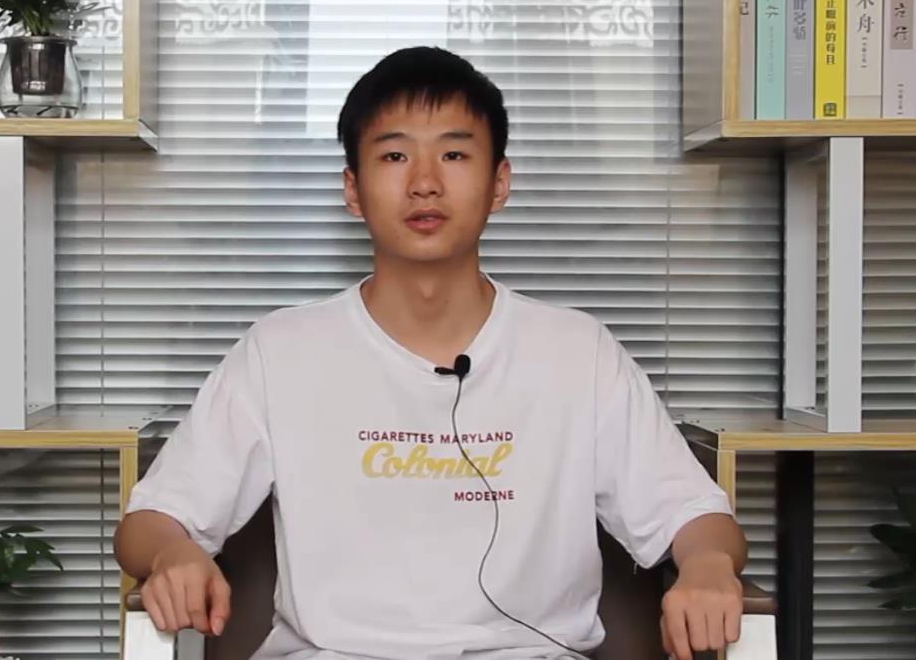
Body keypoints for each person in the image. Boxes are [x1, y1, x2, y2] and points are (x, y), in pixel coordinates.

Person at [114, 46, 747, 660]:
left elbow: (696, 516)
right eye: (394, 155)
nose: (424, 183)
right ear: (353, 189)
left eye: (454, 154)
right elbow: (149, 522)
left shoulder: (579, 354)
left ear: (499, 183)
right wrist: (173, 553)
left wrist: (708, 566)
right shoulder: (279, 353)